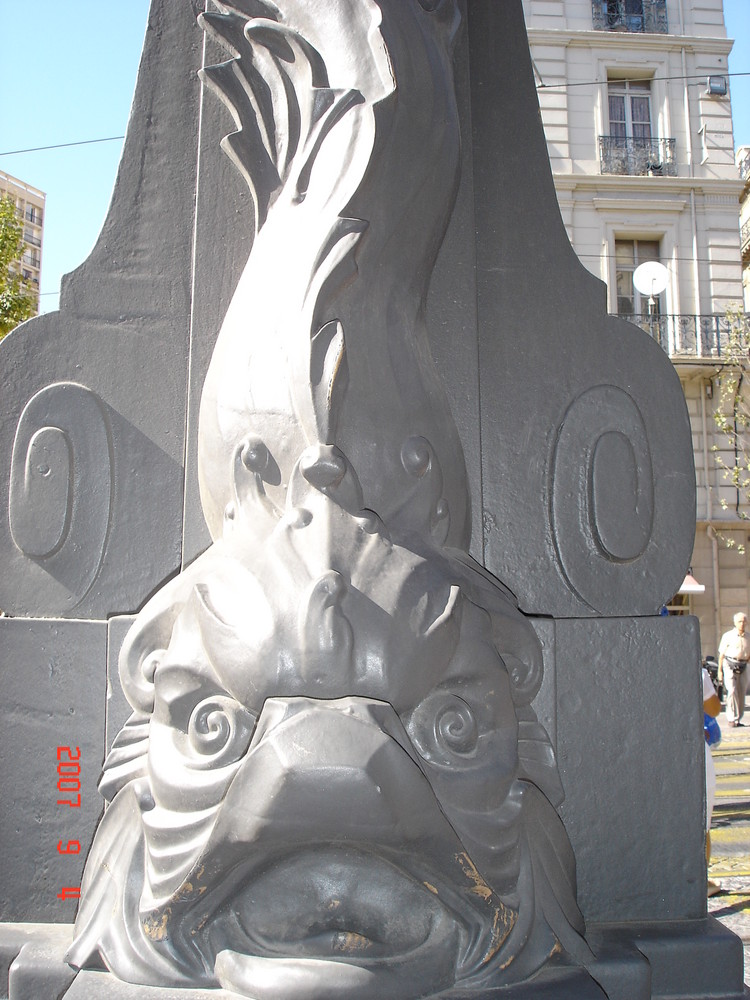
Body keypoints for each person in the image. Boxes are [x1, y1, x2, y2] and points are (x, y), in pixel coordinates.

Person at [703, 666, 722, 897]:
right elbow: (714, 709)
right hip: (694, 752)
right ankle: (701, 880)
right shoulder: (695, 672)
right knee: (702, 823)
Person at [718, 612, 750, 726]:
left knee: (742, 692)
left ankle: (738, 719)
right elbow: (721, 655)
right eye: (739, 621)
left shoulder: (748, 637)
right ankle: (731, 718)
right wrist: (720, 671)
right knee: (731, 691)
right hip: (729, 664)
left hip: (743, 665)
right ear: (735, 623)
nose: (742, 624)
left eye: (743, 621)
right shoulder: (728, 636)